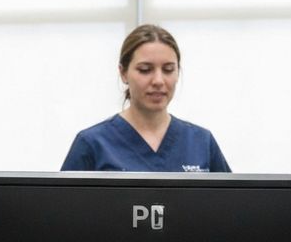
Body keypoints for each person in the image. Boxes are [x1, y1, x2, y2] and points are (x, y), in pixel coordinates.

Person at [60, 24, 230, 173]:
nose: (158, 81)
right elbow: (62, 206)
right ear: (123, 73)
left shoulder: (201, 143)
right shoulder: (92, 144)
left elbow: (232, 205)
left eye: (168, 69)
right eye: (145, 69)